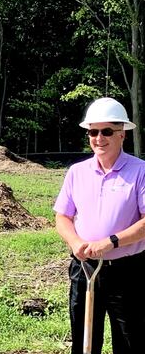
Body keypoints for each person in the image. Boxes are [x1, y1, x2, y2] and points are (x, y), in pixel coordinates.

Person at [53, 97, 145, 354]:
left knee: (130, 341)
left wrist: (111, 242)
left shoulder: (140, 171)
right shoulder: (77, 172)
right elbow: (62, 217)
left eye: (107, 131)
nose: (99, 138)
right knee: (84, 341)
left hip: (127, 271)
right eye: (93, 132)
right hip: (84, 268)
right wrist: (75, 243)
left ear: (122, 134)